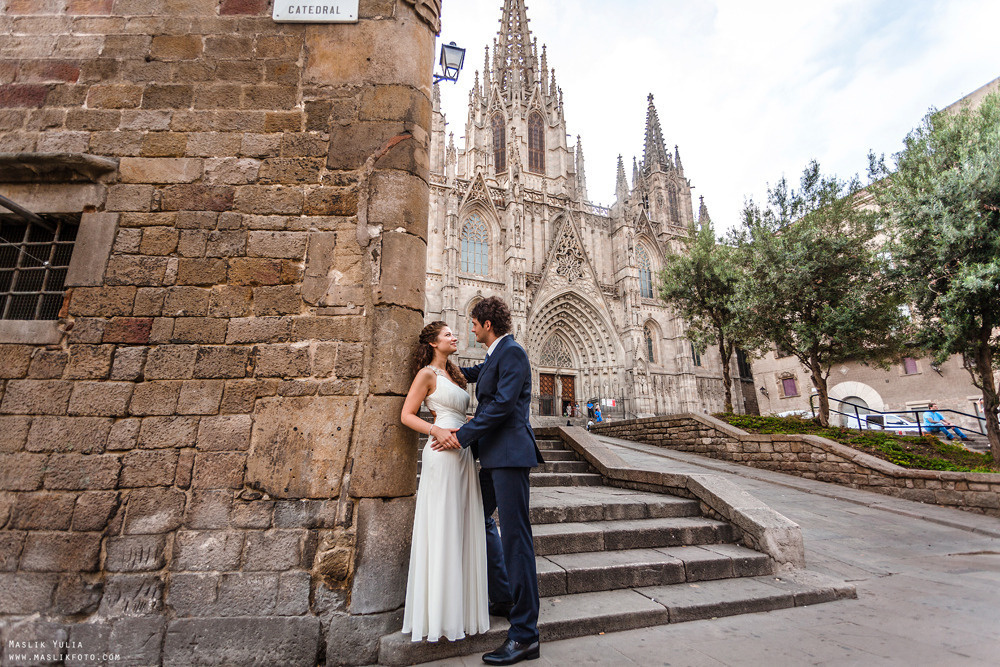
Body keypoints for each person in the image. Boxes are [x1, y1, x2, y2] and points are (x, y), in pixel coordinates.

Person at [432, 296, 543, 665]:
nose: (471, 329)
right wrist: (436, 360)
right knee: (479, 518)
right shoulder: (497, 355)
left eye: (474, 324)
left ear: (487, 325)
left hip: (510, 456)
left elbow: (501, 406)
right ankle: (502, 594)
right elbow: (475, 373)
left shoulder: (512, 352)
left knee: (517, 540)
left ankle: (525, 634)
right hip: (496, 456)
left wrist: (461, 436)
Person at [399, 322, 490, 643]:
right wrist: (435, 430)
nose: (455, 337)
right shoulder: (427, 373)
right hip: (441, 451)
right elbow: (407, 415)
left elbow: (455, 411)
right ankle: (438, 616)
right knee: (442, 527)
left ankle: (458, 611)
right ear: (434, 343)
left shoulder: (455, 375)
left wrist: (467, 425)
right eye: (448, 335)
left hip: (462, 453)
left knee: (462, 527)